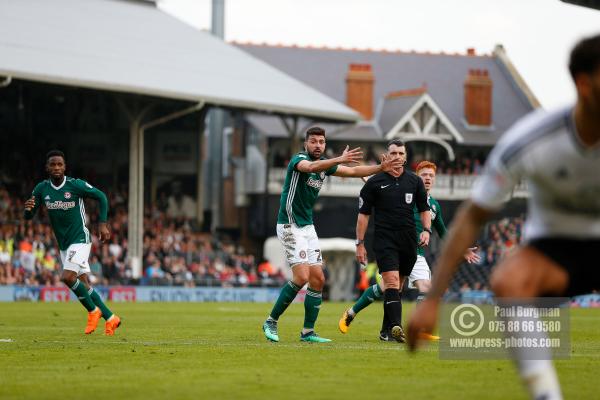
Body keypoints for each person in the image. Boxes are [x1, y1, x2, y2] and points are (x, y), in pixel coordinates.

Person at [407, 34, 600, 400]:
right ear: (585, 84)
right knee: (508, 281)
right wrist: (431, 301)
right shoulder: (532, 141)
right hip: (554, 249)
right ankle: (547, 394)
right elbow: (471, 217)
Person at [262, 126, 402, 343]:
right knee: (301, 277)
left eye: (321, 142)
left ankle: (307, 332)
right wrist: (339, 159)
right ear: (306, 144)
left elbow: (353, 172)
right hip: (289, 225)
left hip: (307, 227)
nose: (317, 145)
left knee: (318, 278)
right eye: (314, 141)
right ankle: (271, 320)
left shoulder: (326, 166)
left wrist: (380, 167)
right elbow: (311, 167)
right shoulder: (298, 160)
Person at [338, 160, 480, 340]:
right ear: (417, 178)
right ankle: (351, 313)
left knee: (425, 288)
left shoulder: (434, 205)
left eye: (431, 176)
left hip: (417, 254)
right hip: (397, 248)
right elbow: (381, 188)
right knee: (389, 288)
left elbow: (443, 232)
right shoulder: (407, 193)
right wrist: (363, 175)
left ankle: (416, 331)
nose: (427, 179)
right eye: (424, 175)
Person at [24, 150, 121, 335]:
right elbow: (29, 215)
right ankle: (111, 318)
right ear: (47, 167)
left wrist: (102, 223)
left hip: (80, 238)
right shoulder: (41, 189)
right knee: (84, 284)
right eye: (52, 164)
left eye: (60, 164)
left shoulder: (75, 185)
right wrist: (27, 210)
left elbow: (101, 196)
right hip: (64, 243)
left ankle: (93, 311)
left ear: (65, 167)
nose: (56, 168)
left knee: (67, 277)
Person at [351, 139, 431, 343]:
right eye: (393, 153)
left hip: (408, 240)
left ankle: (386, 330)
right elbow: (363, 216)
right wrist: (359, 243)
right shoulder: (374, 183)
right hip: (385, 240)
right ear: (386, 156)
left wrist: (427, 231)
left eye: (400, 154)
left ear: (405, 157)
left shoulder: (415, 182)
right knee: (392, 282)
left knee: (398, 286)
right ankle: (396, 326)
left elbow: (424, 210)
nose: (397, 157)